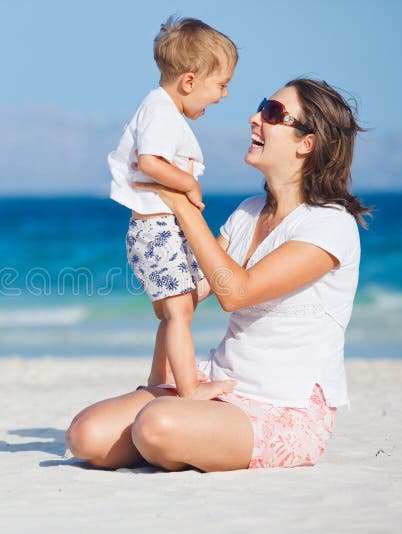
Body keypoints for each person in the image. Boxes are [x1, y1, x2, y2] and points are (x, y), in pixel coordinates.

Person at [68, 77, 369, 471]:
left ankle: (178, 437)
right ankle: (182, 435)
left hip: (284, 406)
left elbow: (236, 292)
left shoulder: (330, 225)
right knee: (85, 436)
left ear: (306, 143)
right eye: (263, 106)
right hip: (218, 383)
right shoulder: (248, 211)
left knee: (155, 425)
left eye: (273, 113)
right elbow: (198, 289)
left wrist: (179, 200)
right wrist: (151, 236)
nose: (254, 118)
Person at [108, 16, 237, 400]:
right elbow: (150, 161)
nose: (224, 95)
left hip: (161, 230)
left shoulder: (160, 109)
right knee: (180, 312)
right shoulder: (161, 112)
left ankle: (157, 381)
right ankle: (188, 388)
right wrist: (189, 183)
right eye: (222, 85)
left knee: (179, 308)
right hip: (156, 231)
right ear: (189, 82)